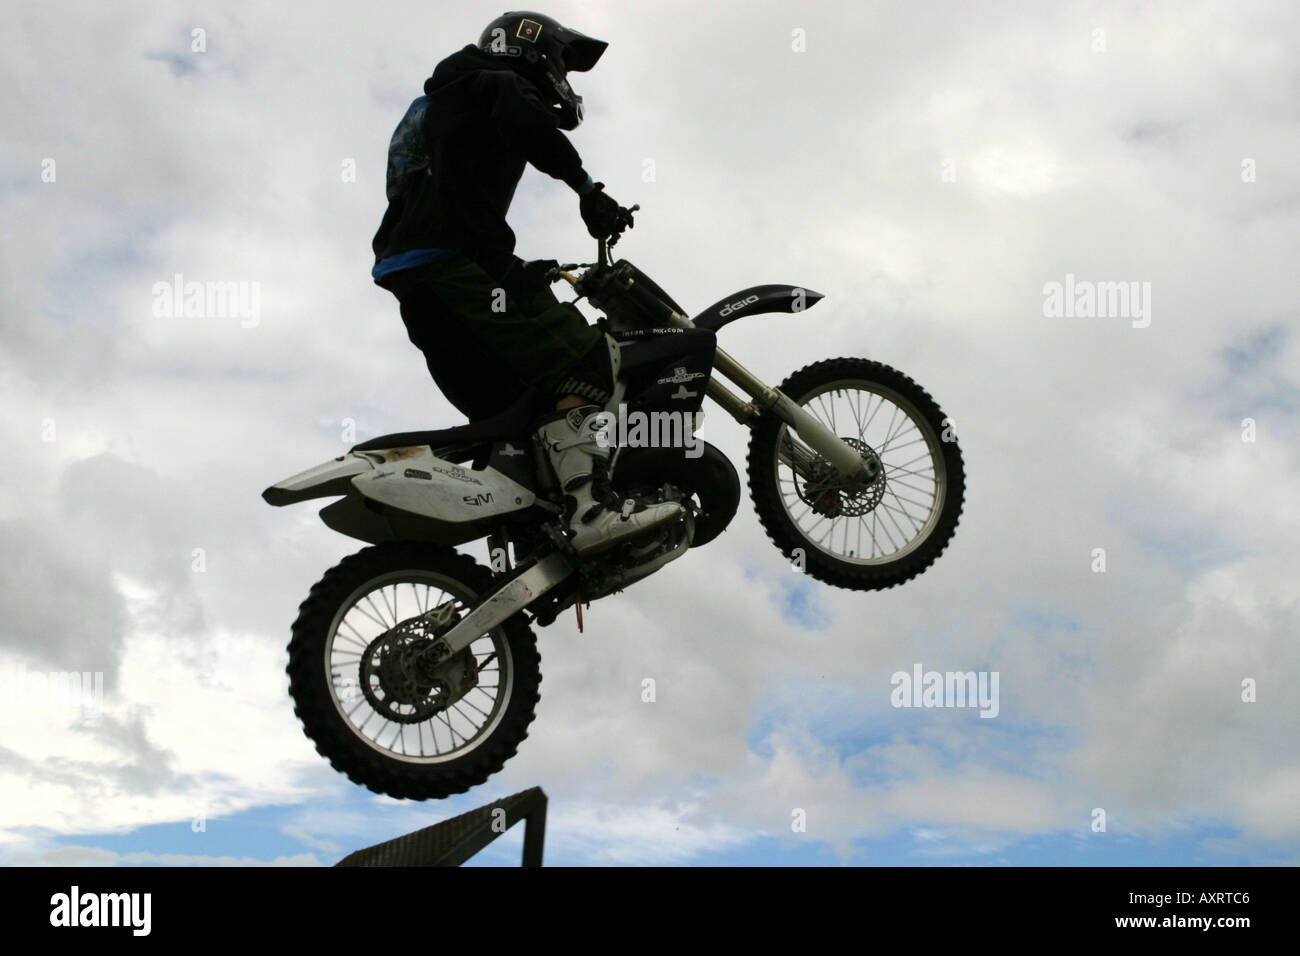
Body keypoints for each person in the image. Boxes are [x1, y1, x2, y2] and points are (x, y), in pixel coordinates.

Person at [370, 11, 682, 555]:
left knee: (518, 413)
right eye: (562, 60)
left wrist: (510, 273)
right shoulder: (493, 82)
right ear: (529, 48)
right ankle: (589, 511)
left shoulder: (445, 101)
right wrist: (587, 188)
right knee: (587, 361)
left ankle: (527, 535)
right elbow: (523, 122)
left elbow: (453, 201)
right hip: (450, 268)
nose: (563, 73)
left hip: (426, 283)